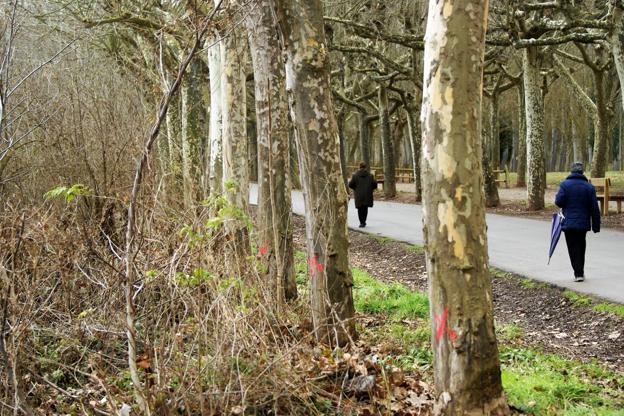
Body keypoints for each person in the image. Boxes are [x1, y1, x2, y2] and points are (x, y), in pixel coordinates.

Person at [554, 162, 600, 282]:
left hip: (568, 222)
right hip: (583, 223)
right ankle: (580, 272)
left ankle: (577, 273)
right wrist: (596, 226)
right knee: (581, 246)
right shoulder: (589, 187)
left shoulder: (564, 185)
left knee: (572, 247)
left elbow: (559, 202)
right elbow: (594, 207)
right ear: (582, 172)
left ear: (571, 171)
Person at [348, 162, 377, 228]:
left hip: (358, 194)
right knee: (365, 208)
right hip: (367, 194)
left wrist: (355, 188)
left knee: (360, 208)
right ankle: (363, 222)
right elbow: (375, 185)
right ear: (365, 167)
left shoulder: (355, 175)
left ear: (359, 167)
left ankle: (361, 222)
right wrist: (370, 189)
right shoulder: (370, 175)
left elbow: (350, 184)